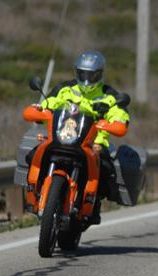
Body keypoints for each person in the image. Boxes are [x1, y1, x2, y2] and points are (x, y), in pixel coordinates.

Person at [37, 50, 130, 224]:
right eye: (82, 73)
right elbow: (46, 105)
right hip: (62, 137)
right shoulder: (65, 89)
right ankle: (36, 191)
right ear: (76, 72)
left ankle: (93, 205)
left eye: (92, 75)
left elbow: (120, 117)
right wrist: (39, 110)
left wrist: (115, 123)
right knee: (34, 154)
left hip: (94, 144)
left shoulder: (110, 96)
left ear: (100, 74)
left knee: (107, 170)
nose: (87, 79)